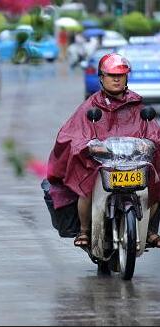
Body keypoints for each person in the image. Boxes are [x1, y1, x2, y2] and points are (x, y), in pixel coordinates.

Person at [46, 53, 160, 248]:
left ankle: (149, 229)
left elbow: (152, 130)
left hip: (134, 163)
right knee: (85, 186)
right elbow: (71, 134)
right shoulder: (90, 106)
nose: (116, 79)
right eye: (111, 75)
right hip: (99, 165)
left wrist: (149, 142)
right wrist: (87, 145)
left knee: (155, 182)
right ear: (101, 77)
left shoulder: (137, 105)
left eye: (121, 75)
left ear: (126, 77)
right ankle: (84, 231)